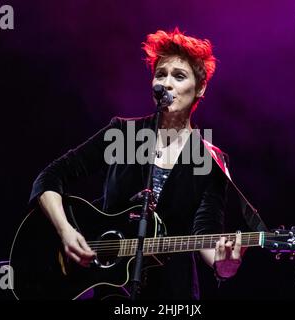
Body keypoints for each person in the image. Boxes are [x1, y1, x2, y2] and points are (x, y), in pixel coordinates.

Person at [29, 27, 245, 300]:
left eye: (179, 76)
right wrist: (66, 231)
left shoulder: (210, 158)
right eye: (160, 75)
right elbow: (49, 177)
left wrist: (224, 266)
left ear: (200, 87)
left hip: (171, 296)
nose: (165, 84)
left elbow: (204, 231)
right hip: (111, 291)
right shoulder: (122, 134)